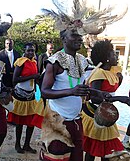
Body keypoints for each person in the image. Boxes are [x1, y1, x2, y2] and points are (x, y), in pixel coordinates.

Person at [40, 26, 90, 160]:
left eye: (80, 35)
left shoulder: (82, 60)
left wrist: (98, 94)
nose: (79, 38)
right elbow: (44, 92)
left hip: (76, 120)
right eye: (74, 35)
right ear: (63, 39)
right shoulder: (54, 62)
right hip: (57, 121)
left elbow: (81, 86)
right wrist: (71, 92)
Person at [82, 39, 124, 161]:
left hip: (106, 113)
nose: (116, 56)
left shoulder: (112, 72)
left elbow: (111, 89)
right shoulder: (98, 73)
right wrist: (116, 98)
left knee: (107, 150)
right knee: (92, 150)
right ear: (106, 57)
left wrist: (119, 81)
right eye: (113, 54)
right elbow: (94, 95)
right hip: (96, 114)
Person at [7, 42, 40, 154]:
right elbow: (15, 80)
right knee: (20, 123)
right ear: (24, 51)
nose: (30, 52)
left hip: (31, 95)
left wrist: (37, 92)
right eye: (28, 50)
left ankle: (27, 144)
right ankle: (17, 144)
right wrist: (32, 76)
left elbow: (35, 80)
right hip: (20, 95)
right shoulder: (21, 62)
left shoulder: (34, 62)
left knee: (31, 123)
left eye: (32, 50)